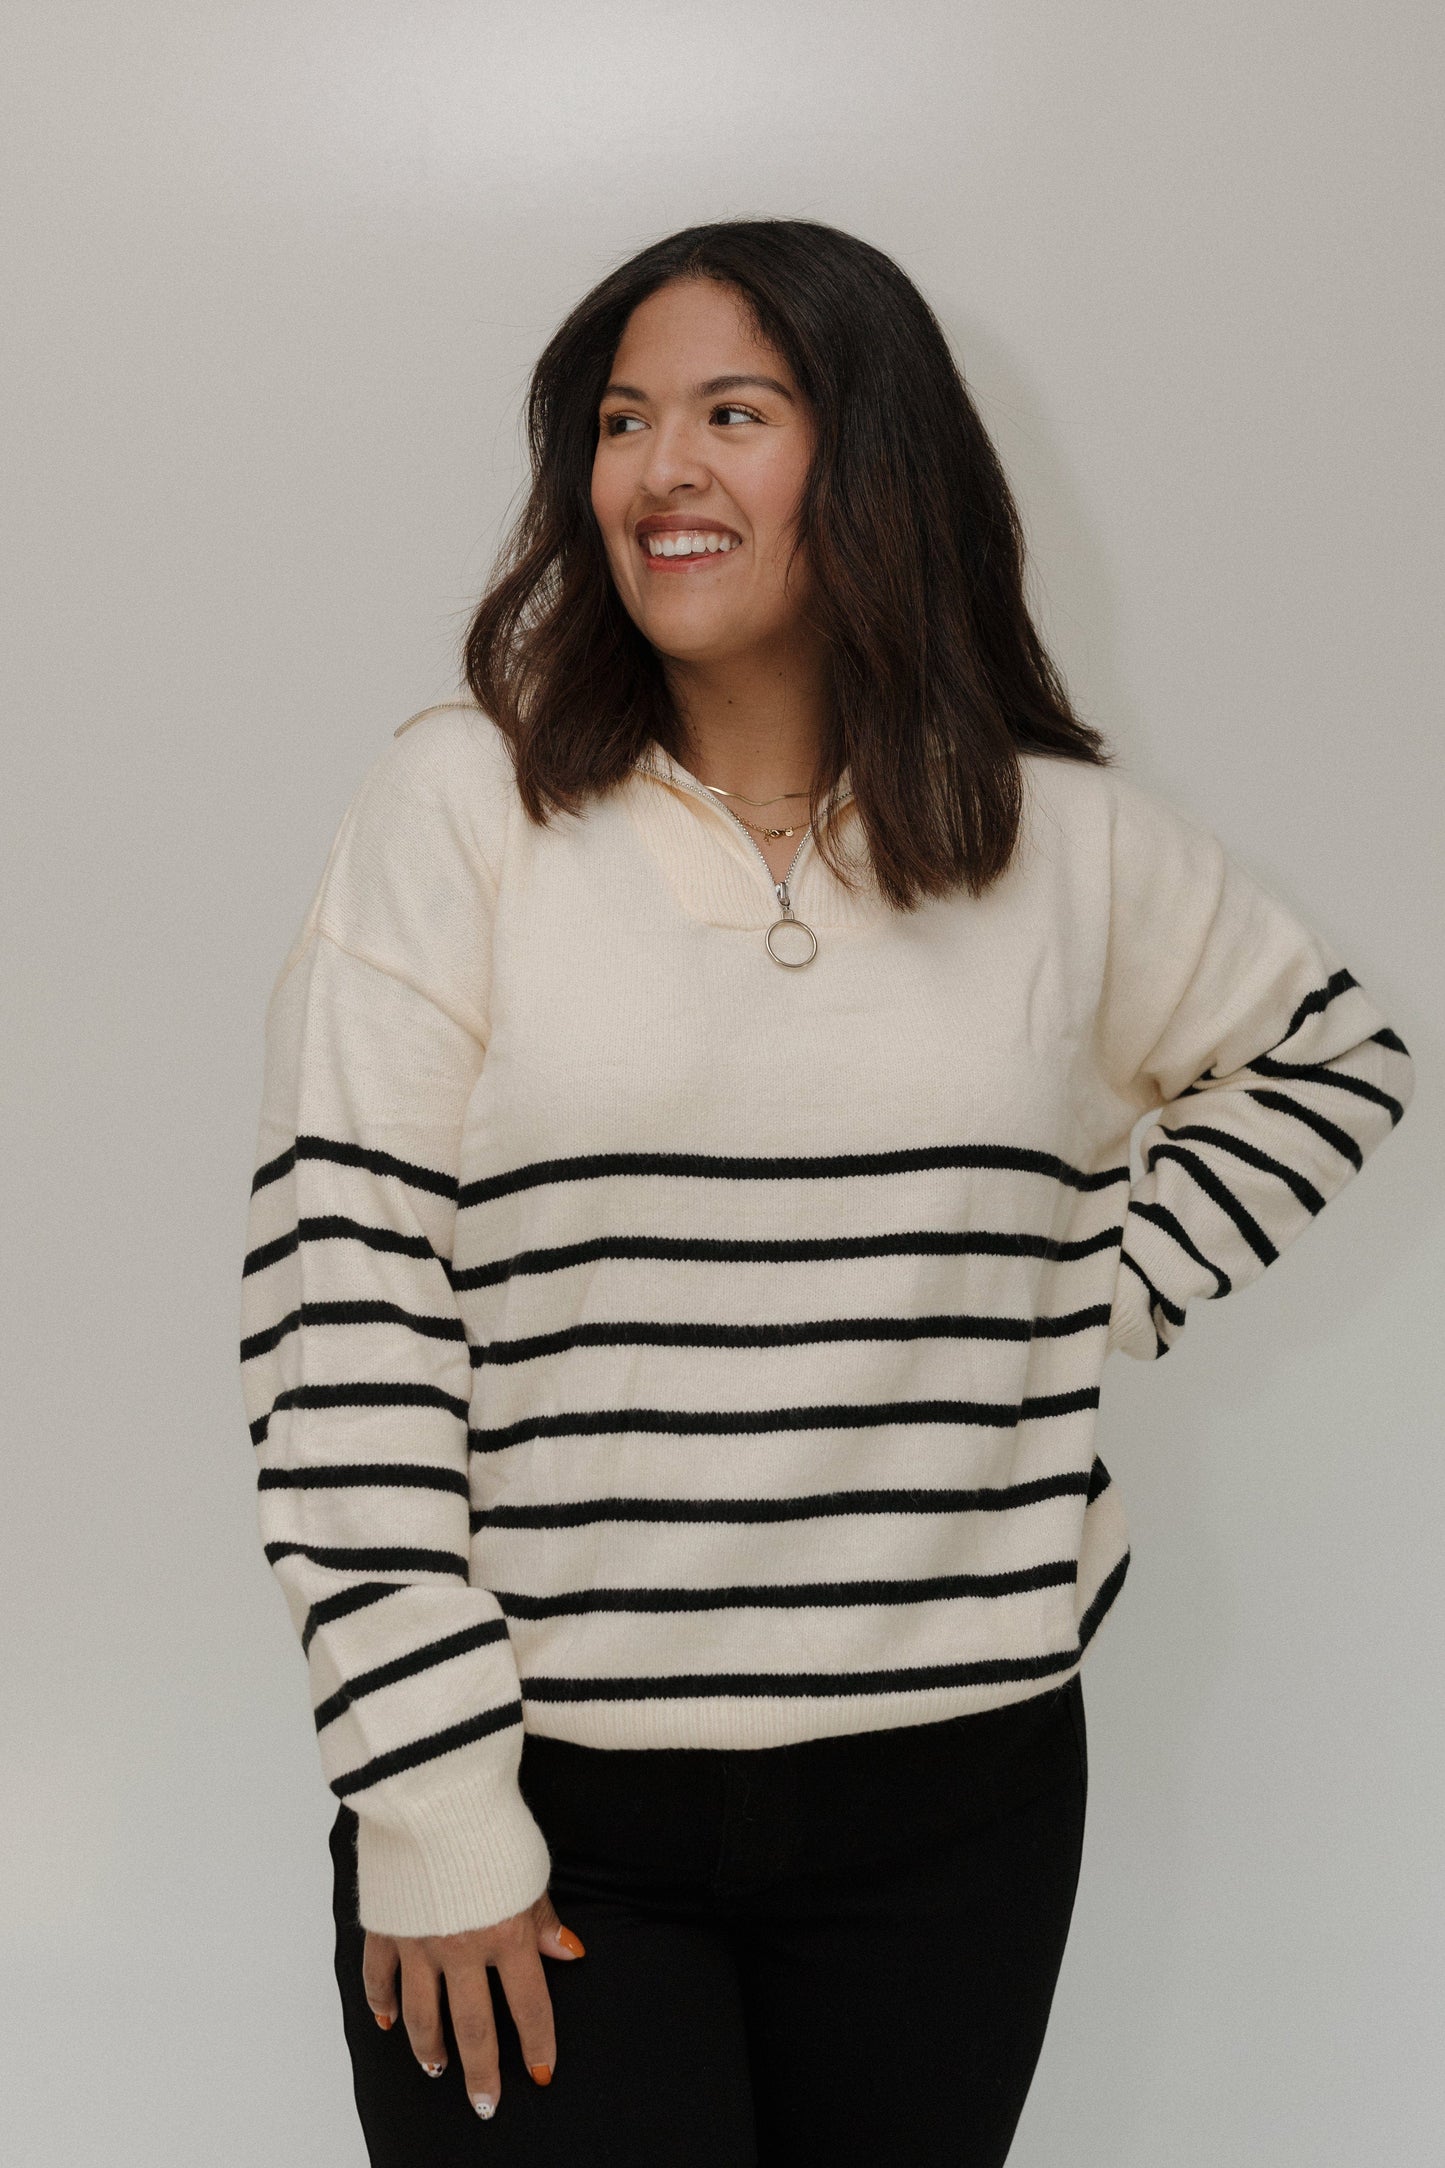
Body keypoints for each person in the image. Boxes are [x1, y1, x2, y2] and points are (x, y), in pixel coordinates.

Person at [238, 219, 1414, 2166]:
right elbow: (346, 1309)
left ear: (873, 459)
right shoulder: (462, 807)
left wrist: (1057, 1285)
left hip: (956, 1800)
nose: (659, 468)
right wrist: (428, 1796)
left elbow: (1336, 1059)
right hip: (547, 1800)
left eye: (733, 411)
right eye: (621, 421)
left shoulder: (1067, 845)